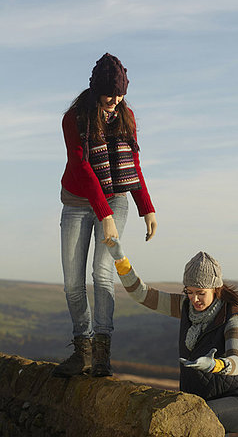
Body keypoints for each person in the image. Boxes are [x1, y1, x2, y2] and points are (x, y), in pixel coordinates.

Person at [53, 53, 157, 378]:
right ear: (96, 90)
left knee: (102, 272)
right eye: (110, 94)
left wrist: (147, 207)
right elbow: (82, 168)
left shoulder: (127, 117)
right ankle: (81, 350)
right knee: (72, 282)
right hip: (76, 202)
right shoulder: (74, 118)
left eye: (121, 93)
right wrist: (102, 212)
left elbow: (133, 165)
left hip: (116, 200)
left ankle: (101, 356)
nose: (115, 100)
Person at [106, 243, 238, 435]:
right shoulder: (186, 307)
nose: (194, 299)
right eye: (189, 292)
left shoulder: (233, 318)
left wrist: (214, 365)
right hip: (203, 399)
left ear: (215, 288)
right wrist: (120, 260)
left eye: (200, 293)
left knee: (194, 417)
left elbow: (237, 362)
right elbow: (142, 294)